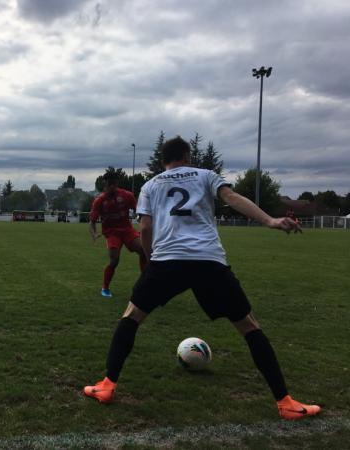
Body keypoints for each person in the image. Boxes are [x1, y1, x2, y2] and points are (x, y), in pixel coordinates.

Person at [83, 136, 320, 421]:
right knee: (248, 326)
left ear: (163, 160)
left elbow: (145, 227)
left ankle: (107, 386)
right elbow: (232, 198)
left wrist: (150, 259)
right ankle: (285, 402)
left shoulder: (151, 185)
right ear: (187, 156)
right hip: (208, 260)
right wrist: (270, 220)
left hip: (166, 260)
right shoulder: (206, 175)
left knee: (131, 317)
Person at [89, 172, 147, 298]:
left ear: (116, 184)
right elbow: (92, 221)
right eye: (109, 184)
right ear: (105, 184)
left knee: (143, 250)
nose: (111, 187)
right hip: (112, 233)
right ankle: (105, 288)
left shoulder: (127, 195)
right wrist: (94, 234)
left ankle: (145, 284)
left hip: (127, 230)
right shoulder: (99, 200)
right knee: (114, 260)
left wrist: (143, 221)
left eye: (113, 184)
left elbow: (139, 211)